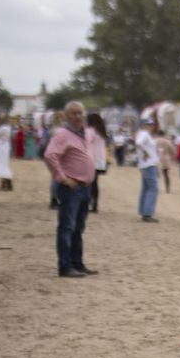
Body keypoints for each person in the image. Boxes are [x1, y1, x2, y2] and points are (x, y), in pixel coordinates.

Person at [42, 102, 97, 279]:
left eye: (80, 112)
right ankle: (65, 266)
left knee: (78, 228)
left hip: (85, 187)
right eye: (73, 113)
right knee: (67, 227)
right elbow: (50, 155)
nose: (77, 116)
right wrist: (62, 177)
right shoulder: (63, 135)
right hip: (71, 188)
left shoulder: (87, 133)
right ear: (66, 116)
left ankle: (77, 263)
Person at [135, 117, 160, 222]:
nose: (151, 126)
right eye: (149, 124)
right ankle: (148, 213)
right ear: (144, 125)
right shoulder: (144, 134)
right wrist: (146, 152)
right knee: (153, 189)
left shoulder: (143, 134)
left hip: (145, 165)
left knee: (146, 188)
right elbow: (138, 143)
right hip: (149, 165)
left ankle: (144, 211)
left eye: (152, 124)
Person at [86, 112, 110, 214]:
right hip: (101, 160)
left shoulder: (90, 131)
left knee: (89, 183)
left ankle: (89, 202)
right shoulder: (101, 131)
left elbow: (87, 144)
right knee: (95, 183)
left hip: (91, 159)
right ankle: (95, 204)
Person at [155, 128, 175, 194]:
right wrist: (171, 156)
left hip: (157, 159)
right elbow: (172, 150)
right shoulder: (167, 141)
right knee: (166, 174)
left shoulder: (155, 141)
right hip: (165, 159)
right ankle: (167, 188)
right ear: (163, 134)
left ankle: (156, 188)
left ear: (158, 134)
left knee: (156, 175)